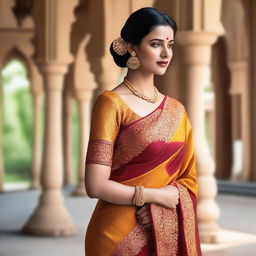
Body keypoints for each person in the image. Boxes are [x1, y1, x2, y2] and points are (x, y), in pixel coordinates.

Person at [84, 7, 202, 256]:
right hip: (115, 236)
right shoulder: (111, 104)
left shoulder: (177, 111)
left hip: (162, 232)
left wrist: (162, 208)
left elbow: (189, 179)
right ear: (132, 47)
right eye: (156, 44)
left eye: (170, 45)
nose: (165, 53)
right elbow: (95, 185)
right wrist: (154, 198)